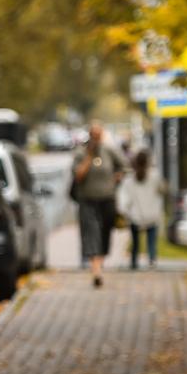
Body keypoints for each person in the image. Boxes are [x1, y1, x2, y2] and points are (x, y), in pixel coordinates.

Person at [72, 121, 125, 287]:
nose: (96, 139)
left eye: (98, 135)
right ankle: (96, 271)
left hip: (107, 199)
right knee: (92, 233)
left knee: (104, 233)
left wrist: (117, 177)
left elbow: (123, 165)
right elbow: (78, 175)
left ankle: (98, 264)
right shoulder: (81, 153)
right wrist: (89, 156)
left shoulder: (109, 151)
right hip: (88, 201)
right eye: (93, 135)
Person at [118, 149, 167, 269]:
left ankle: (134, 262)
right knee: (151, 241)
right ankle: (152, 260)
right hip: (152, 214)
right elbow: (163, 190)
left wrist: (123, 212)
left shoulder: (129, 180)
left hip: (135, 216)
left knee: (135, 242)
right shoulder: (155, 177)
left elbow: (123, 199)